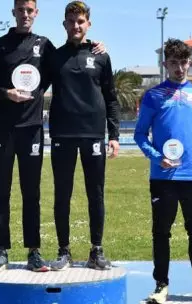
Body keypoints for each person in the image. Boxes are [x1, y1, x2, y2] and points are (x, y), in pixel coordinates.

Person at [0, 0, 104, 273]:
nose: (25, 15)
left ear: (36, 13)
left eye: (29, 10)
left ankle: (34, 251)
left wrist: (96, 46)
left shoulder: (45, 46)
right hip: (2, 129)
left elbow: (72, 59)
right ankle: (1, 252)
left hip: (32, 127)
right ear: (14, 12)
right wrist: (4, 93)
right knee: (1, 192)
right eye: (20, 10)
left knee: (31, 192)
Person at [134, 39, 192, 304]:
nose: (179, 68)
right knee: (161, 231)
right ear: (165, 64)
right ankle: (161, 286)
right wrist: (158, 158)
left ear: (189, 62)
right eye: (173, 63)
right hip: (163, 177)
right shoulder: (153, 96)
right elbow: (140, 135)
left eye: (183, 62)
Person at [45, 1, 120, 271]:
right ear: (64, 24)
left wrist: (114, 134)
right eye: (71, 21)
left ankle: (96, 251)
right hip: (62, 134)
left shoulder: (101, 55)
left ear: (88, 24)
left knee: (95, 194)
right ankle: (63, 251)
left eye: (81, 21)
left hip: (93, 135)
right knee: (62, 194)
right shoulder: (54, 56)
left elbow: (111, 97)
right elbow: (34, 85)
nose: (76, 26)